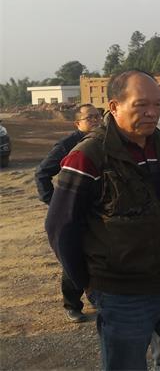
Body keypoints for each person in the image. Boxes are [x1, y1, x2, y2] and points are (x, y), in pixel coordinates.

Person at [45, 70, 160, 370]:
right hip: (121, 293)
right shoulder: (88, 156)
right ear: (114, 107)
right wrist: (89, 283)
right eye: (141, 105)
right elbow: (60, 227)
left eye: (157, 104)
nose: (152, 112)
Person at [35, 103, 102, 322]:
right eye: (90, 118)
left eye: (98, 116)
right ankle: (72, 304)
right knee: (73, 255)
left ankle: (99, 297)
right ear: (77, 123)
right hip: (74, 212)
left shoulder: (103, 141)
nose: (96, 121)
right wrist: (56, 204)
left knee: (99, 253)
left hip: (97, 211)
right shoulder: (69, 145)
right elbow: (42, 173)